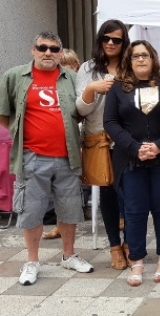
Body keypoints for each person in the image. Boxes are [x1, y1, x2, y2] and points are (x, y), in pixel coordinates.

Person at [0, 31, 94, 286]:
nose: (48, 53)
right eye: (42, 48)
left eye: (54, 49)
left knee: (69, 208)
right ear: (33, 49)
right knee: (32, 211)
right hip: (32, 157)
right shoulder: (14, 77)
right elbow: (4, 113)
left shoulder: (71, 78)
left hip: (67, 157)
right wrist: (25, 138)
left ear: (61, 53)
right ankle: (32, 261)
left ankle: (69, 255)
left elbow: (83, 109)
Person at [104, 40, 160, 286]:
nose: (141, 59)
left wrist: (159, 145)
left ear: (153, 59)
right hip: (131, 160)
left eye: (145, 55)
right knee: (134, 212)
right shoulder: (118, 88)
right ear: (129, 59)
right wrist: (135, 147)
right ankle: (137, 260)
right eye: (136, 55)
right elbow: (110, 122)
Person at [75, 20, 130, 270]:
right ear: (100, 40)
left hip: (128, 140)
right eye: (106, 38)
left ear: (123, 42)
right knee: (108, 196)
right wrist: (91, 89)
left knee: (131, 195)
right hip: (100, 139)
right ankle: (114, 246)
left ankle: (131, 243)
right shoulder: (88, 68)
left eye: (116, 40)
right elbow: (80, 109)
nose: (110, 43)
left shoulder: (130, 65)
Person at [42, 48, 82, 241]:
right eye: (61, 64)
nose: (65, 68)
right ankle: (60, 226)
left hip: (80, 139)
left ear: (76, 66)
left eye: (68, 64)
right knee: (60, 188)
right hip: (61, 145)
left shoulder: (79, 84)